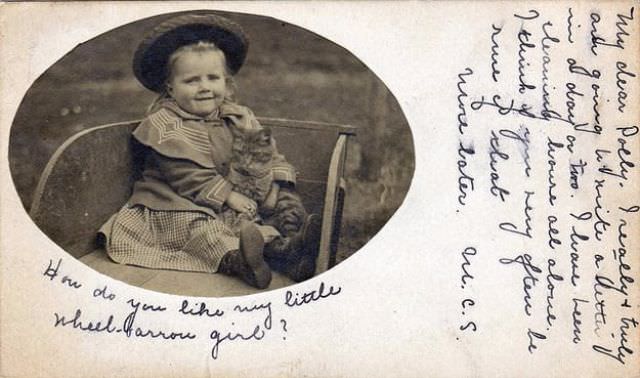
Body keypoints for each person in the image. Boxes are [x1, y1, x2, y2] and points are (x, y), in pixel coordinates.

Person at [99, 12, 320, 289]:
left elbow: (266, 152)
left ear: (226, 83)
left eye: (213, 78)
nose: (204, 88)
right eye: (191, 81)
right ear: (170, 87)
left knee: (286, 202)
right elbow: (186, 176)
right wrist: (229, 195)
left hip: (235, 202)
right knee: (202, 229)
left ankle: (289, 249)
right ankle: (240, 262)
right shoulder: (165, 125)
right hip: (175, 203)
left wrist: (274, 186)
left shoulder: (238, 116)